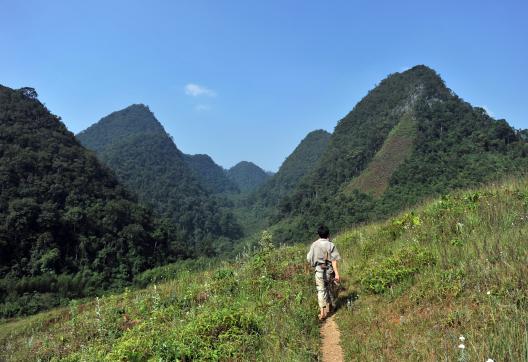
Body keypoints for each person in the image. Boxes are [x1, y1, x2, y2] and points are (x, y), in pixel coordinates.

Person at [306, 225, 341, 320]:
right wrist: (337, 274)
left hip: (319, 271)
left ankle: (322, 312)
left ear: (318, 235)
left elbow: (309, 258)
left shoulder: (314, 245)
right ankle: (331, 306)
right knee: (330, 288)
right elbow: (334, 261)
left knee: (321, 290)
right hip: (329, 271)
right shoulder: (331, 245)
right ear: (328, 234)